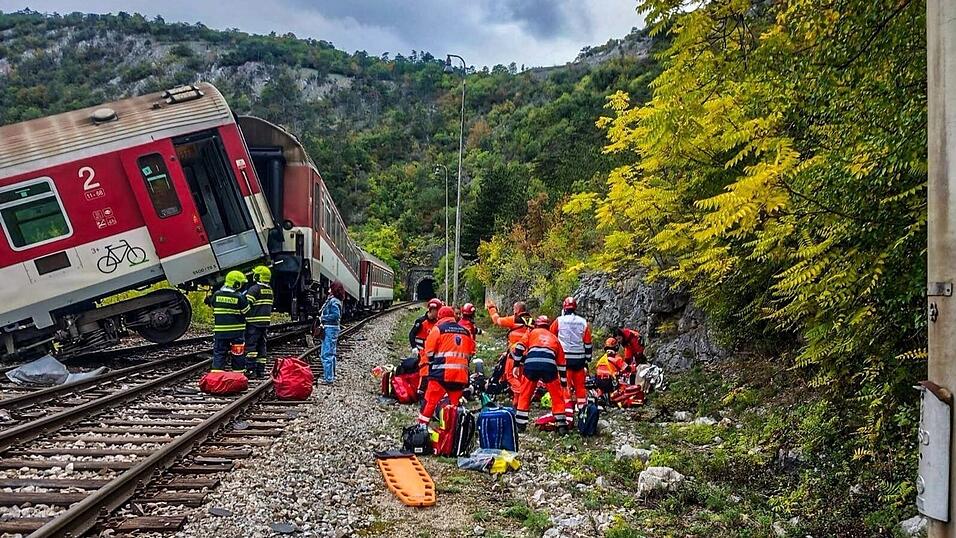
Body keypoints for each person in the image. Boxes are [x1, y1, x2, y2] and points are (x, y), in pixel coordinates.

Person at [417, 306, 475, 425]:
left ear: (440, 317)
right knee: (453, 407)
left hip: (441, 374)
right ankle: (451, 433)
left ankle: (421, 427)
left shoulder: (437, 329)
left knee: (430, 402)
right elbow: (471, 351)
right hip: (460, 376)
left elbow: (429, 352)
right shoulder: (466, 331)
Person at [512, 315, 568, 434]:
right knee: (556, 396)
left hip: (531, 364)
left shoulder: (532, 333)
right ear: (548, 326)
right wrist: (563, 381)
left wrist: (516, 365)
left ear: (536, 324)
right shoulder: (554, 338)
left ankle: (520, 425)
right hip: (549, 365)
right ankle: (561, 425)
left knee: (525, 393)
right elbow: (562, 363)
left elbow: (519, 347)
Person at [550, 296, 592, 420]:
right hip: (579, 359)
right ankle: (583, 411)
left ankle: (568, 412)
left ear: (564, 307)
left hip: (565, 359)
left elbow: (551, 336)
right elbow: (588, 342)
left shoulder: (559, 320)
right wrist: (588, 358)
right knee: (580, 386)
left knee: (565, 386)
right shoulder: (583, 322)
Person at [486, 300, 534, 402]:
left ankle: (522, 395)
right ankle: (517, 403)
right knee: (520, 377)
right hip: (527, 354)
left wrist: (491, 308)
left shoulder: (515, 319)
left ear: (516, 310)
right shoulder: (531, 321)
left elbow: (497, 320)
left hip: (515, 353)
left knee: (511, 377)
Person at [207, 270, 250, 373]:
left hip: (220, 332)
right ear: (236, 284)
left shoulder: (217, 295)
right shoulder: (239, 297)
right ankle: (238, 375)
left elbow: (213, 306)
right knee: (238, 354)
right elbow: (246, 311)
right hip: (237, 333)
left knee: (219, 353)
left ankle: (216, 376)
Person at [243, 265, 274, 379]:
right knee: (262, 346)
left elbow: (247, 304)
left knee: (251, 346)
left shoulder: (254, 289)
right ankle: (260, 370)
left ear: (258, 276)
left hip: (253, 323)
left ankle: (250, 370)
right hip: (264, 323)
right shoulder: (269, 290)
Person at [319, 281, 346, 385]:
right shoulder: (334, 300)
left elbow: (336, 316)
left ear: (334, 289)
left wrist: (323, 318)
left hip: (330, 328)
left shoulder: (334, 301)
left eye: (331, 287)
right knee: (331, 353)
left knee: (326, 354)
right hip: (332, 328)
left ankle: (328, 378)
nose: (328, 289)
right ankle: (331, 375)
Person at [595, 338, 625, 405]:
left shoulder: (602, 358)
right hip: (608, 382)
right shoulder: (616, 358)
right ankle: (614, 398)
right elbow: (626, 368)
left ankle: (600, 396)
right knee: (622, 385)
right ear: (616, 347)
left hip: (598, 381)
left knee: (602, 386)